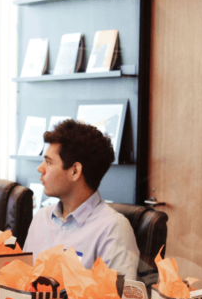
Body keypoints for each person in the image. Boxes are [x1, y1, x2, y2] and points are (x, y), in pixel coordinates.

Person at [23, 119, 140, 279]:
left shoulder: (113, 229)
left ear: (75, 171)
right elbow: (20, 284)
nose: (40, 168)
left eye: (49, 162)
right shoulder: (41, 218)